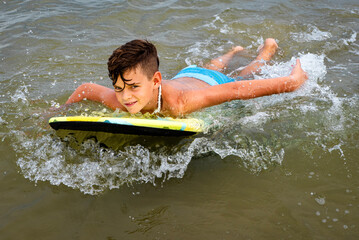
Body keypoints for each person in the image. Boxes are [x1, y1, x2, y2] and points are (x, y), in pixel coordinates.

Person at [65, 38, 308, 117]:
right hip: (188, 74)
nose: (125, 97)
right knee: (210, 65)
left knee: (245, 73)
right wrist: (57, 112)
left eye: (133, 87)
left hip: (209, 83)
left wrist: (290, 83)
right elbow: (86, 89)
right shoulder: (122, 96)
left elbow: (237, 91)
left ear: (156, 80)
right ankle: (233, 51)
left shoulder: (181, 102)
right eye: (118, 88)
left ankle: (266, 51)